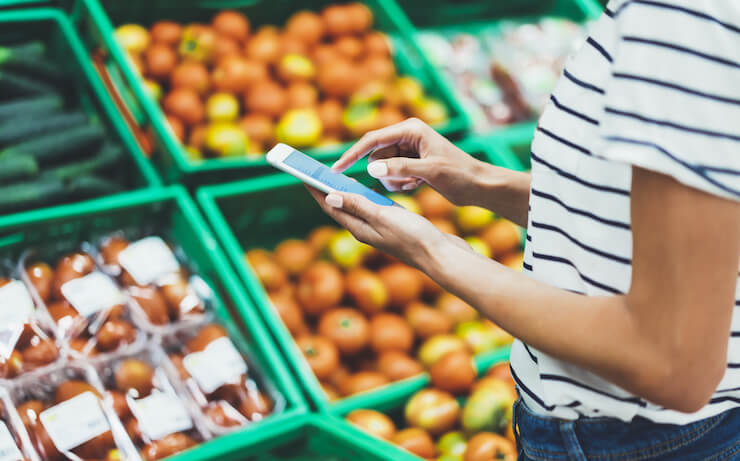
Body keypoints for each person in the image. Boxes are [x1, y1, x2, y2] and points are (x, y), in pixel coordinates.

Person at [307, 0, 740, 458]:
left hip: (648, 441)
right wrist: (479, 181)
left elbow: (673, 361)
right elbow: (655, 222)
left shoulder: (681, 16)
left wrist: (433, 249)